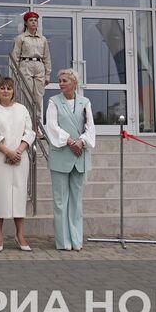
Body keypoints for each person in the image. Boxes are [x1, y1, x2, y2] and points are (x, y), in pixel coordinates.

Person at [44, 69, 94, 251]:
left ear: (74, 82)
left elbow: (90, 127)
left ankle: (76, 240)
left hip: (80, 156)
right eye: (60, 80)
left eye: (65, 80)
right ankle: (63, 242)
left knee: (76, 201)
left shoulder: (85, 102)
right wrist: (70, 141)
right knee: (60, 201)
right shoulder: (53, 101)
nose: (61, 83)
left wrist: (81, 142)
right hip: (61, 155)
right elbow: (51, 126)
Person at [0, 77, 35, 252]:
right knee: (1, 196)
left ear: (14, 92)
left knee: (19, 196)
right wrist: (8, 152)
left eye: (9, 88)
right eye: (2, 88)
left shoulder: (22, 110)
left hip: (20, 158)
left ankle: (20, 234)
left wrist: (18, 151)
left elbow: (30, 132)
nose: (6, 91)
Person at [10, 11, 51, 127]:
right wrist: (15, 74)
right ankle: (26, 125)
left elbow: (47, 57)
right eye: (31, 20)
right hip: (25, 64)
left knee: (38, 98)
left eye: (35, 20)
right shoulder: (20, 38)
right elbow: (15, 56)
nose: (33, 22)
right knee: (27, 96)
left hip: (39, 66)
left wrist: (47, 74)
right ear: (26, 23)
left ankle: (36, 126)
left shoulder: (42, 39)